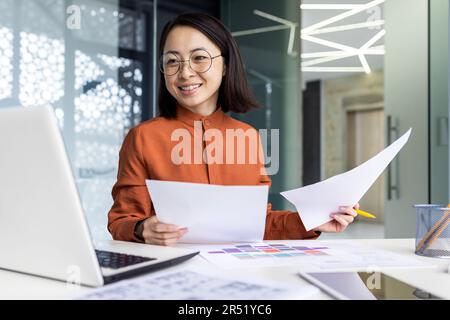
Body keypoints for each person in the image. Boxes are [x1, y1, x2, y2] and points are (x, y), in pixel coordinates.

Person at [108, 12, 359, 246]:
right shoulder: (143, 138)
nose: (185, 73)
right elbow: (121, 221)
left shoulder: (248, 137)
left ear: (226, 65)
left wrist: (311, 220)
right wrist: (142, 229)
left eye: (199, 58)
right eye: (172, 61)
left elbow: (257, 224)